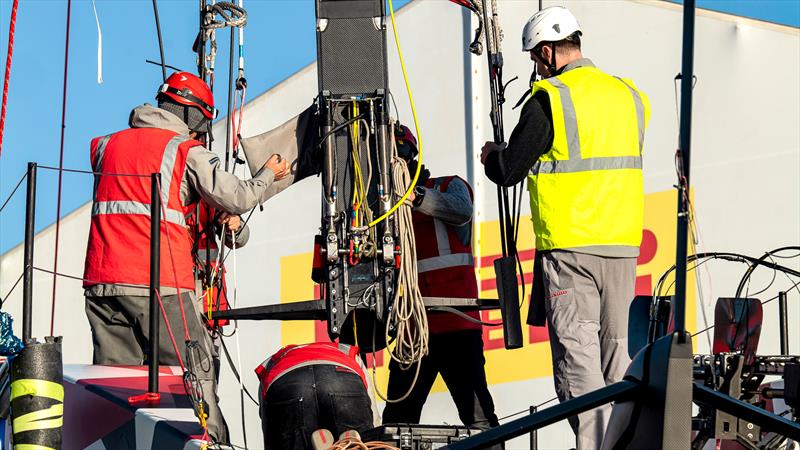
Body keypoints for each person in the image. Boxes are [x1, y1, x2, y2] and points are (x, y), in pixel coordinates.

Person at [82, 71, 290, 443]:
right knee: (192, 375)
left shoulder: (105, 145)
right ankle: (208, 442)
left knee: (116, 386)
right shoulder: (183, 151)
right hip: (161, 285)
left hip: (102, 284)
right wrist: (267, 175)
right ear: (194, 116)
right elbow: (239, 196)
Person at [479, 7, 650, 449]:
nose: (536, 67)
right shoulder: (629, 95)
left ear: (548, 52)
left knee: (578, 362)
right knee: (619, 358)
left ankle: (595, 447)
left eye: (536, 58)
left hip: (572, 248)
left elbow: (510, 168)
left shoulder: (549, 99)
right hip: (623, 244)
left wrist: (492, 155)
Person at [382, 125, 499, 432]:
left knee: (479, 418)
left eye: (400, 152)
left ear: (412, 156)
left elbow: (461, 210)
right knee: (397, 422)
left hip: (456, 324)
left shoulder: (450, 186)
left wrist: (413, 195)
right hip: (413, 330)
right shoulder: (382, 210)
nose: (395, 160)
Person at [255, 341, 380, 450]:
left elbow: (269, 427)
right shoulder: (348, 352)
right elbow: (375, 421)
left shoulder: (274, 361)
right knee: (362, 443)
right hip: (342, 376)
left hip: (287, 380)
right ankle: (349, 442)